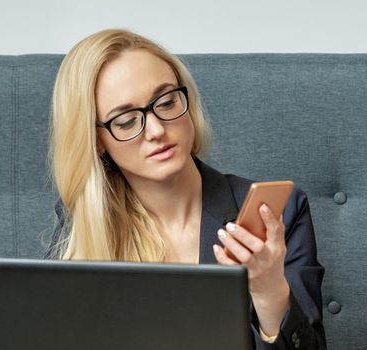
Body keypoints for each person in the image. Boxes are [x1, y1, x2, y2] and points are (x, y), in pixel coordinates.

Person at [46, 29, 326, 350]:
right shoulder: (84, 221)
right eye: (125, 121)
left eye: (166, 102)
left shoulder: (278, 211)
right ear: (96, 141)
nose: (156, 129)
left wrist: (269, 292)